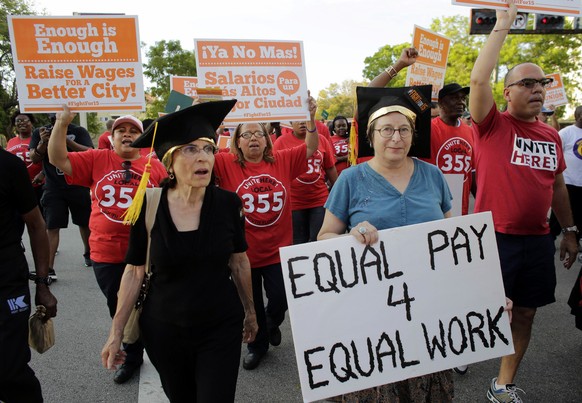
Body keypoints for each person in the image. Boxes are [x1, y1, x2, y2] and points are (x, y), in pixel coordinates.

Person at [101, 100, 257, 402]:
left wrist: (250, 312)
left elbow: (238, 262)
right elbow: (134, 271)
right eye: (191, 149)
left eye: (208, 149)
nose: (204, 158)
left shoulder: (228, 205)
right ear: (169, 162)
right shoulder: (148, 205)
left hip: (219, 326)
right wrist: (116, 332)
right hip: (164, 329)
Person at [469, 1, 579, 401]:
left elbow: (558, 187)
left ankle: (503, 384)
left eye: (542, 83)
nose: (537, 89)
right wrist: (502, 26)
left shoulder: (551, 136)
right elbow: (478, 82)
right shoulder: (492, 125)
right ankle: (460, 349)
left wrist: (569, 231)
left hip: (536, 240)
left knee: (525, 311)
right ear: (507, 92)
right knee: (484, 309)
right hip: (491, 237)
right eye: (528, 83)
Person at [318, 86, 454, 402]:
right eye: (387, 129)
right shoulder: (350, 179)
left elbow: (453, 240)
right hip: (372, 309)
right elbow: (323, 237)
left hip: (428, 307)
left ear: (414, 134)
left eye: (404, 129)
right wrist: (350, 236)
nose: (396, 137)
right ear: (371, 134)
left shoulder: (433, 175)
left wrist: (482, 295)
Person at [47, 107, 167, 384]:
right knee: (120, 306)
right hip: (107, 253)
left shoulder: (155, 166)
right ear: (110, 139)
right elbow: (57, 158)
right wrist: (63, 123)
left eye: (134, 131)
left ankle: (161, 353)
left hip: (147, 252)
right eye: (120, 131)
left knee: (154, 306)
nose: (127, 135)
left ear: (143, 138)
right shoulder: (96, 159)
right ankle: (133, 356)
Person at [213, 93, 319, 370]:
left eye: (258, 133)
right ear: (236, 142)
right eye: (246, 134)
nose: (253, 139)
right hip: (243, 254)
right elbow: (201, 150)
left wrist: (310, 118)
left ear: (267, 137)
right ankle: (256, 346)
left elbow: (310, 148)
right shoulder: (225, 163)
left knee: (282, 298)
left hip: (278, 250)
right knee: (251, 304)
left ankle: (271, 324)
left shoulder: (281, 160)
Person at [0, 149, 57, 403]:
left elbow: (36, 225)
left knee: (9, 368)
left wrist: (43, 285)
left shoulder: (8, 165)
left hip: (6, 278)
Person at [29, 113, 94, 278]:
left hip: (77, 184)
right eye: (52, 118)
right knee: (52, 226)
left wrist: (66, 140)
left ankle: (89, 254)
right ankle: (48, 269)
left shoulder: (78, 131)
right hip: (53, 187)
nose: (55, 120)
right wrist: (44, 141)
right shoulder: (40, 132)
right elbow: (34, 158)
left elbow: (91, 152)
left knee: (84, 222)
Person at [273, 118, 338, 244]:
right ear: (290, 122)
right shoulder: (281, 142)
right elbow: (275, 169)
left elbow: (330, 167)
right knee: (298, 242)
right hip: (294, 202)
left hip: (319, 199)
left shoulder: (321, 139)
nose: (302, 123)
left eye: (305, 119)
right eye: (297, 120)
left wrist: (338, 191)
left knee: (319, 240)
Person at [421, 83, 475, 216]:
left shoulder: (471, 132)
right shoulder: (427, 129)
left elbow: (472, 172)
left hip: (460, 206)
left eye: (463, 98)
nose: (461, 102)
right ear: (441, 103)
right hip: (431, 204)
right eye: (455, 98)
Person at [6, 111, 45, 211]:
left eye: (24, 120)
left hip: (38, 187)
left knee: (40, 220)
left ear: (31, 122)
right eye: (18, 121)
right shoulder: (11, 141)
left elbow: (49, 159)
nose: (21, 123)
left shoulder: (39, 139)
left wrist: (42, 174)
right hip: (17, 187)